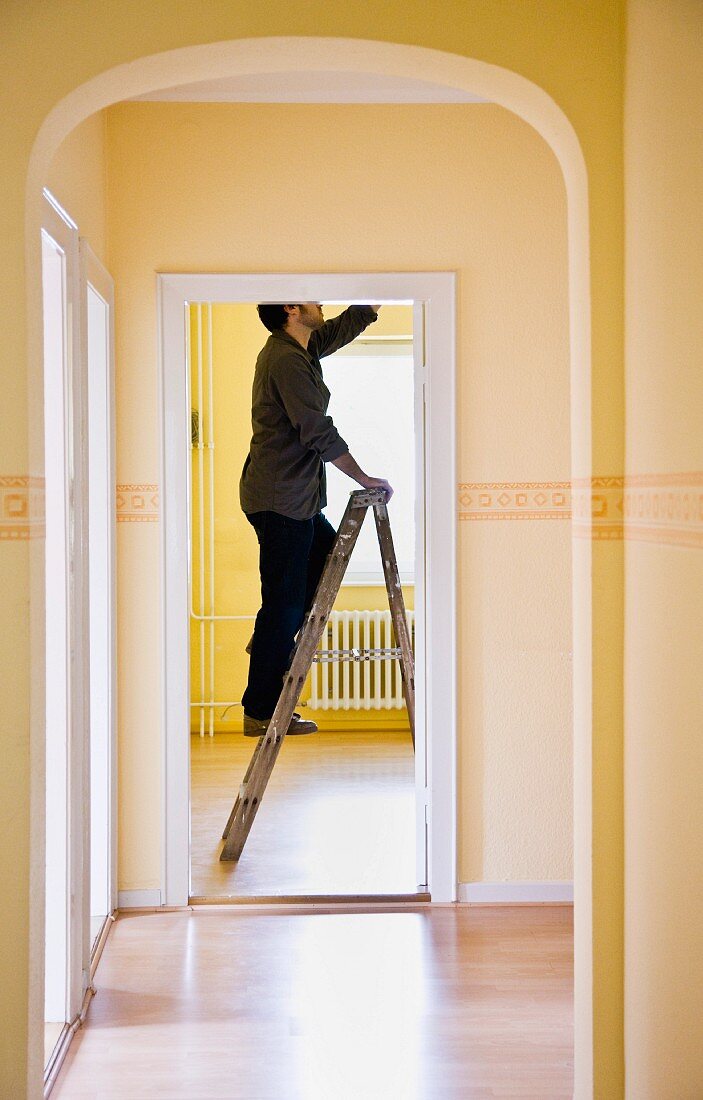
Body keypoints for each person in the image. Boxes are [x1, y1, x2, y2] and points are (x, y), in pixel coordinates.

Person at [239, 302, 393, 737]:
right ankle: (261, 712)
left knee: (325, 556)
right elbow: (316, 429)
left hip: (296, 500)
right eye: (311, 299)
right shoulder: (285, 360)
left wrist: (374, 297)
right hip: (280, 499)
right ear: (291, 309)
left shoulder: (299, 348)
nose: (320, 303)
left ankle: (272, 633)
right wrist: (363, 476)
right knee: (284, 604)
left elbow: (336, 331)